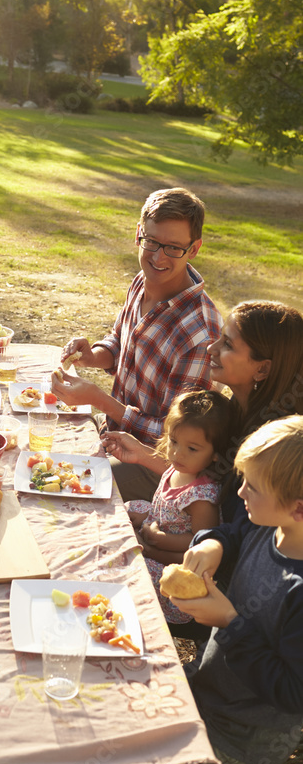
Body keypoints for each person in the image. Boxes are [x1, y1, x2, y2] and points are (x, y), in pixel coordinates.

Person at [53, 187, 222, 501]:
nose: (158, 257)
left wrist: (100, 401)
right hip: (113, 437)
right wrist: (92, 357)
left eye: (173, 248)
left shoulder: (200, 334)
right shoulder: (143, 280)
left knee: (60, 485)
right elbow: (119, 343)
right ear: (138, 234)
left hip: (156, 467)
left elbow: (179, 437)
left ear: (194, 249)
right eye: (152, 242)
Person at [170, 416, 303, 764]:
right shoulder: (266, 525)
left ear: (298, 507)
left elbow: (293, 692)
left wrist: (230, 623)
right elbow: (233, 533)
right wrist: (214, 543)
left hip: (240, 736)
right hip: (203, 689)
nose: (240, 492)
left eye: (253, 487)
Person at [102, 300, 303, 520]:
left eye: (227, 344)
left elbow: (236, 531)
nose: (211, 348)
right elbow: (203, 472)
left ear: (262, 369)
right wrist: (142, 454)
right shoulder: (235, 408)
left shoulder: (273, 443)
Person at [127, 389, 238, 624]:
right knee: (126, 508)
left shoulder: (200, 497)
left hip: (175, 567)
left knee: (133, 568)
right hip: (158, 532)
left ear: (216, 454)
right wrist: (145, 515)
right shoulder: (178, 468)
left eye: (192, 448)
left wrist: (157, 544)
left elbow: (198, 542)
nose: (177, 453)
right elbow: (164, 508)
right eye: (173, 441)